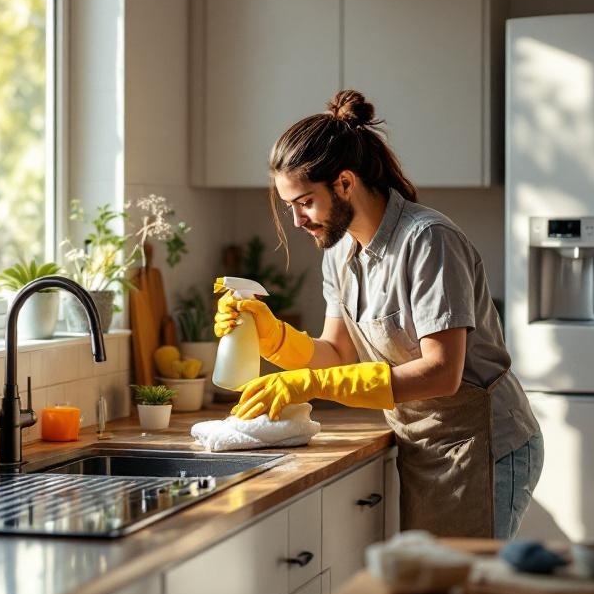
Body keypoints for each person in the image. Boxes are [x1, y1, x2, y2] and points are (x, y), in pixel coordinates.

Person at [215, 89, 542, 539]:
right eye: (290, 206)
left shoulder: (428, 241)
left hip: (481, 444)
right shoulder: (339, 252)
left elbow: (442, 373)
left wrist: (310, 384)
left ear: (344, 183)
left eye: (305, 202)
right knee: (431, 580)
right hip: (422, 440)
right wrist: (271, 336)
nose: (297, 220)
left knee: (462, 582)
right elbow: (335, 353)